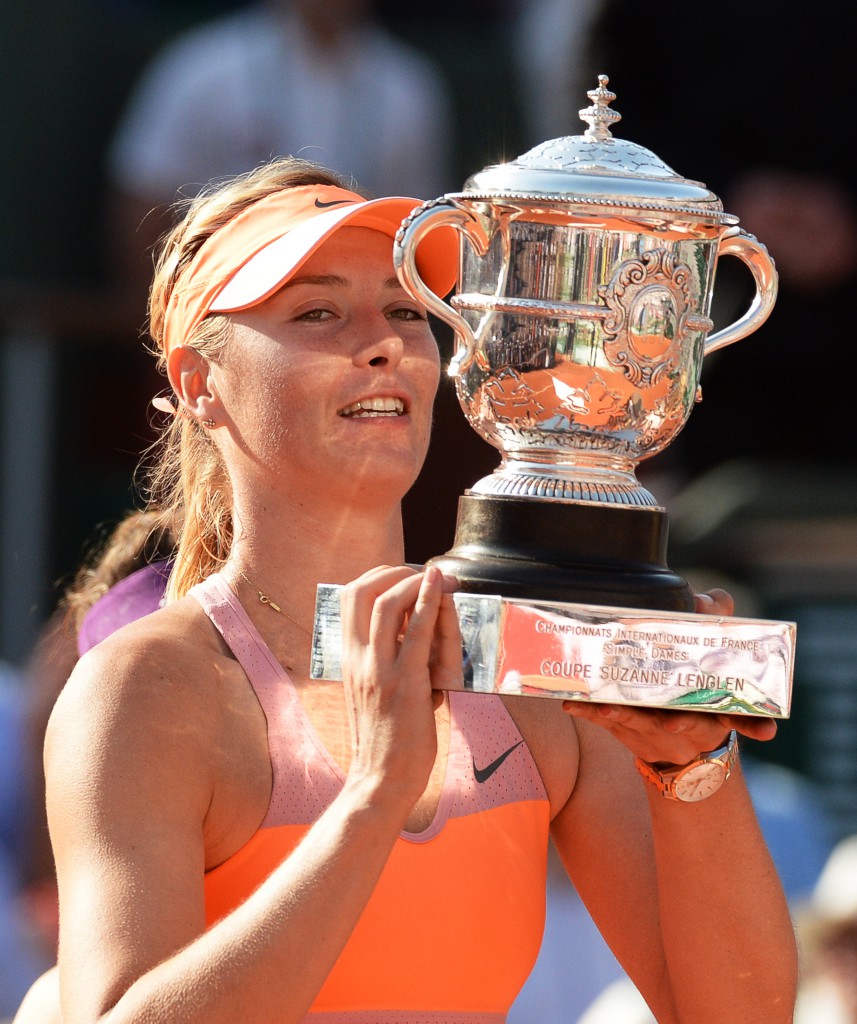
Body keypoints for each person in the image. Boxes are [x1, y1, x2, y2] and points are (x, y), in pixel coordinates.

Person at [25, 155, 795, 1023]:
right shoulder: (147, 691)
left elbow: (733, 1014)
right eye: (317, 312)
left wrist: (693, 766)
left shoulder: (527, 663)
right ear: (199, 383)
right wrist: (372, 801)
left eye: (404, 310)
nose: (384, 341)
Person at [103, 0, 455, 297]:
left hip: (356, 314)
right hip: (219, 305)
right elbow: (141, 206)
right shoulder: (202, 66)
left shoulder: (409, 86)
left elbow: (418, 227)